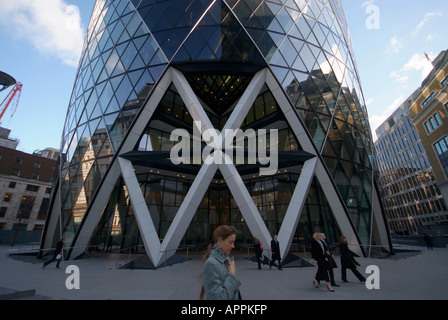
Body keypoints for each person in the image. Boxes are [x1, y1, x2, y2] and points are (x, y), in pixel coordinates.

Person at [200, 225, 241, 300]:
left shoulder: (226, 260)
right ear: (220, 240)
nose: (233, 246)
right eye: (230, 242)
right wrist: (231, 275)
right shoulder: (211, 264)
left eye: (233, 242)